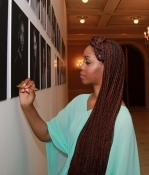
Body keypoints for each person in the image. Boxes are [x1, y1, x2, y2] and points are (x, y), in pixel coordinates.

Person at [18, 36, 140, 175]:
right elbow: (46, 133)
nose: (81, 66)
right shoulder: (79, 102)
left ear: (108, 68)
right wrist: (27, 106)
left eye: (87, 62)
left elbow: (122, 170)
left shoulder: (120, 118)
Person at [12, 13, 28, 97]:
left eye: (24, 34)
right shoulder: (15, 62)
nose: (22, 39)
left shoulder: (23, 60)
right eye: (21, 33)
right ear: (18, 35)